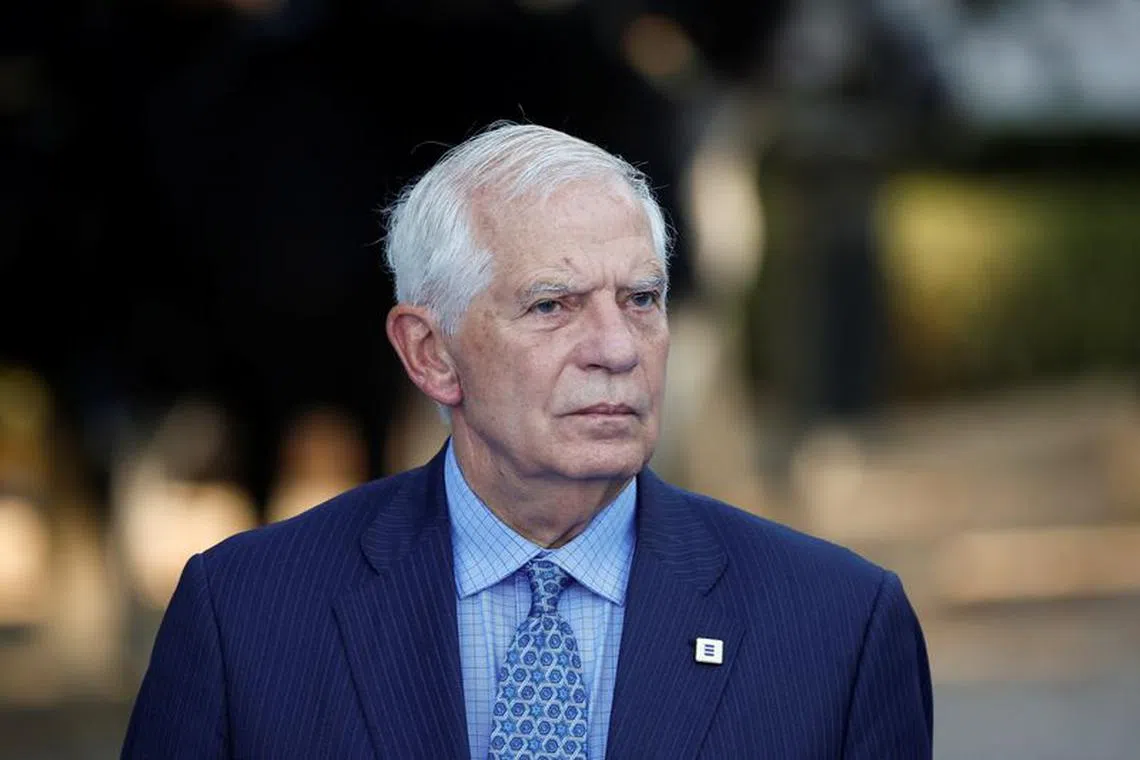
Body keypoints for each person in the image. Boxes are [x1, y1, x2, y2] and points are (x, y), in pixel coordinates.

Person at [121, 122, 932, 759]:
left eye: (642, 299)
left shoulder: (838, 626)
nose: (616, 348)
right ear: (430, 354)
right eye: (553, 305)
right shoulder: (246, 617)